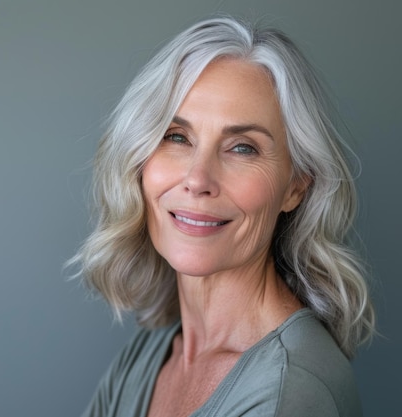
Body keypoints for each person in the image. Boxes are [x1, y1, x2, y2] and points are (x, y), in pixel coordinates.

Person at [69, 15, 375, 417]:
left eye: (242, 148)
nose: (198, 179)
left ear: (297, 186)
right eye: (176, 137)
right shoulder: (151, 355)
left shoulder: (289, 393)